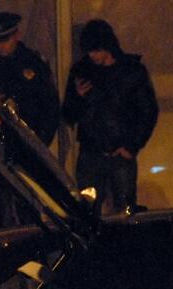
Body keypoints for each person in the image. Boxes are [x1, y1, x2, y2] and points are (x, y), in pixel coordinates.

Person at [62, 19, 158, 215]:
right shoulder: (82, 71)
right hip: (90, 153)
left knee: (124, 211)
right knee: (88, 211)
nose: (92, 55)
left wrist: (132, 145)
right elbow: (68, 114)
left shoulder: (131, 71)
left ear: (107, 46)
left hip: (120, 153)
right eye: (89, 51)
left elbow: (148, 111)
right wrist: (78, 97)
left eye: (96, 50)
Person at [0, 12, 59, 146]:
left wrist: (40, 142)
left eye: (5, 40)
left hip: (24, 141)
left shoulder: (33, 63)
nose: (1, 46)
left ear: (17, 35)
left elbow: (50, 106)